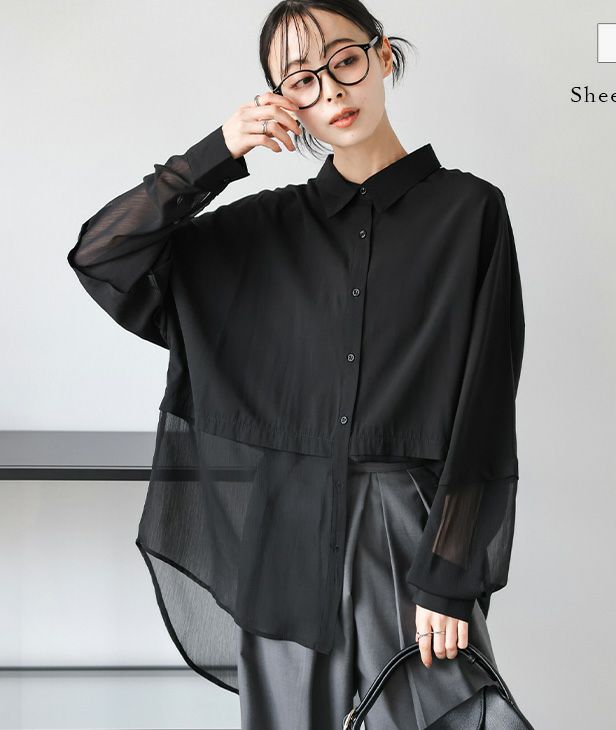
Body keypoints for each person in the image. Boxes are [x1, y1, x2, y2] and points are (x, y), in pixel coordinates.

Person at [67, 1, 526, 728]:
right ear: (283, 102)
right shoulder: (260, 231)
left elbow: (486, 406)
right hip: (283, 540)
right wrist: (218, 152)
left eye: (344, 61)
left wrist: (449, 575)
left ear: (382, 55)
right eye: (302, 79)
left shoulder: (470, 213)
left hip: (407, 535)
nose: (332, 90)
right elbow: (103, 256)